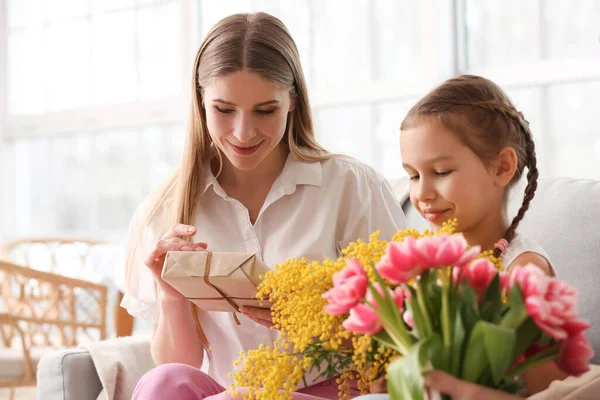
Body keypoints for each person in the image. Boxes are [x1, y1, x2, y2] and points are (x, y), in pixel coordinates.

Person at [121, 12, 406, 400]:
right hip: (226, 392)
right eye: (223, 110)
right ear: (201, 102)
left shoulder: (352, 185)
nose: (243, 132)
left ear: (292, 102)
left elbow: (404, 333)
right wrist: (171, 291)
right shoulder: (167, 210)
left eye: (265, 110)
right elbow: (180, 364)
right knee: (161, 383)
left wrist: (313, 321)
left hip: (333, 391)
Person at [398, 74, 567, 396]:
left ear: (502, 167)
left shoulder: (523, 271)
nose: (422, 193)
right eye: (413, 175)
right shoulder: (426, 266)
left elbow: (546, 388)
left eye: (441, 172)